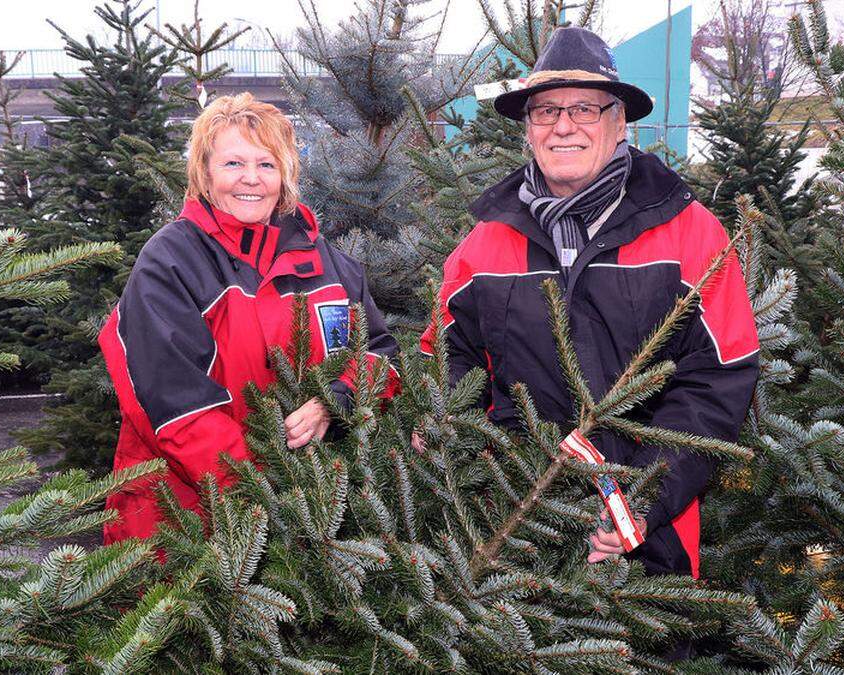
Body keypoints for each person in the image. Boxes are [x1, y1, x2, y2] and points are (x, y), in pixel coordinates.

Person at [419, 27, 759, 580]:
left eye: (585, 108)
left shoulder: (690, 233)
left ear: (620, 121)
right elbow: (448, 359)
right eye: (546, 111)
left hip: (647, 548)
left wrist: (645, 496)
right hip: (512, 528)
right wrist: (478, 460)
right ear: (527, 129)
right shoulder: (482, 244)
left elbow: (718, 381)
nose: (563, 126)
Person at [99, 93, 399, 544]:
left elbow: (379, 355)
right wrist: (266, 496)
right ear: (204, 173)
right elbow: (177, 410)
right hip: (188, 522)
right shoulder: (171, 263)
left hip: (309, 522)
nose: (251, 180)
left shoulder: (326, 262)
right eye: (233, 164)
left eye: (266, 165)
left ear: (286, 174)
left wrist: (334, 401)